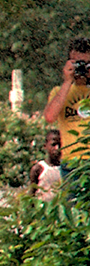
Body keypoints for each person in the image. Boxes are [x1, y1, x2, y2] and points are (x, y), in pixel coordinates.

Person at [43, 37, 90, 200]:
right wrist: (67, 82)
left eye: (86, 64)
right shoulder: (59, 91)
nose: (81, 69)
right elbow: (49, 117)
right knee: (74, 211)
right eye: (77, 63)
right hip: (71, 162)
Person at [29, 129, 63, 200]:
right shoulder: (39, 168)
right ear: (45, 146)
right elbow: (32, 193)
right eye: (53, 145)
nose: (57, 148)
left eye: (60, 145)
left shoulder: (66, 168)